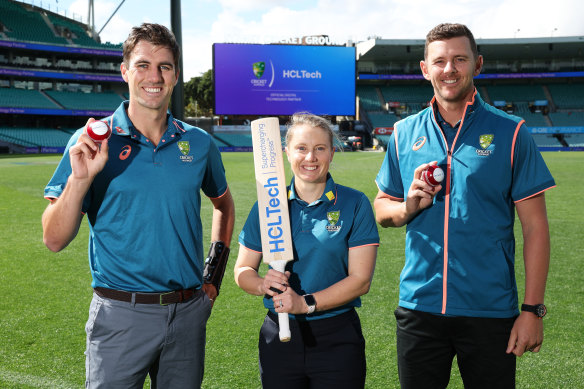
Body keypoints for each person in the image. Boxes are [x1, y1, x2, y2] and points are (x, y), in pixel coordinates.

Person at [42, 23, 235, 388]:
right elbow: (53, 239)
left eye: (164, 66)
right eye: (143, 64)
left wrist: (214, 275)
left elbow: (223, 204)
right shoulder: (90, 141)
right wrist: (80, 180)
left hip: (188, 313)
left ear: (176, 75)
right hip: (120, 316)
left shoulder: (199, 144)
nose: (154, 76)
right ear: (125, 71)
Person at [374, 23, 555, 388]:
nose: (449, 69)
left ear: (477, 64)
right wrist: (407, 207)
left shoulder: (513, 132)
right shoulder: (404, 132)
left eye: (459, 59)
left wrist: (532, 310)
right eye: (439, 61)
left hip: (490, 310)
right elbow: (382, 207)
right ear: (426, 69)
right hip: (419, 307)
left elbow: (536, 228)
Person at [234, 113, 379, 389]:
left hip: (337, 336)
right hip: (279, 335)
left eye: (319, 148)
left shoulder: (355, 203)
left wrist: (304, 303)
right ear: (286, 153)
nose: (310, 157)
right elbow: (242, 270)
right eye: (301, 148)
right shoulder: (266, 206)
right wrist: (262, 284)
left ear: (332, 153)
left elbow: (361, 281)